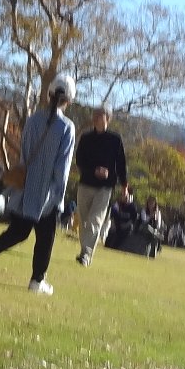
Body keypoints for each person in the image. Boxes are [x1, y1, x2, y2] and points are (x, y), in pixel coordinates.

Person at [0, 74, 76, 295]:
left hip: (25, 185)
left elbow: (24, 154)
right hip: (48, 191)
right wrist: (59, 197)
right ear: (68, 100)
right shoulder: (67, 127)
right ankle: (37, 280)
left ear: (49, 94)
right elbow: (62, 168)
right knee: (46, 237)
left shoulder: (33, 120)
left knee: (19, 231)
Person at [73, 103, 128, 267]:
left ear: (108, 118)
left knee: (95, 221)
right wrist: (93, 170)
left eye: (100, 115)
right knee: (83, 221)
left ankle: (86, 254)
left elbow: (121, 164)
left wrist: (124, 186)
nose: (96, 117)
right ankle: (84, 251)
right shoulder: (86, 138)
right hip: (85, 184)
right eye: (95, 114)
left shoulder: (115, 139)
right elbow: (79, 161)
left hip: (105, 188)